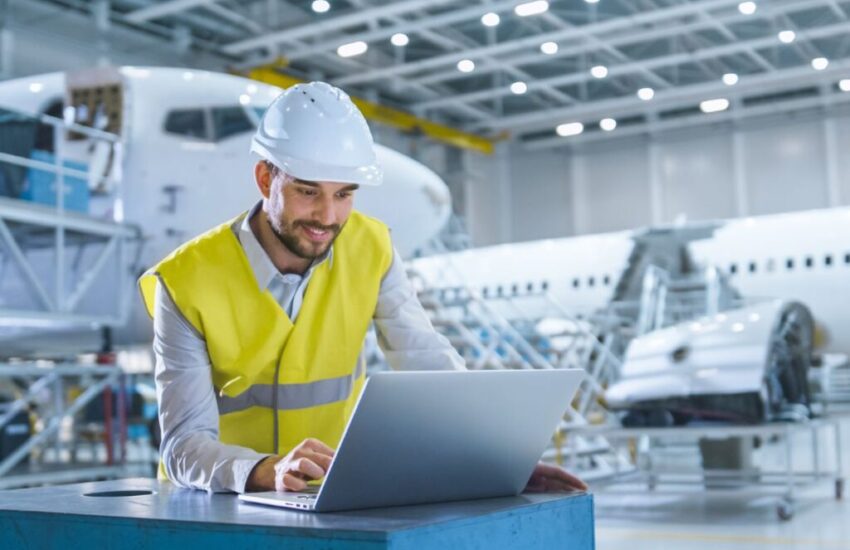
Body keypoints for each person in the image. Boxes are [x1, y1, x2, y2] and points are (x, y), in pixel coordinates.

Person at [139, 81, 586, 495]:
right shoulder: (186, 282)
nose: (328, 218)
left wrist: (494, 458)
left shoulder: (371, 247)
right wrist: (265, 470)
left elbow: (426, 359)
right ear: (264, 179)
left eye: (344, 195)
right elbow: (183, 445)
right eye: (308, 192)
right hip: (218, 506)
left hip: (328, 500)